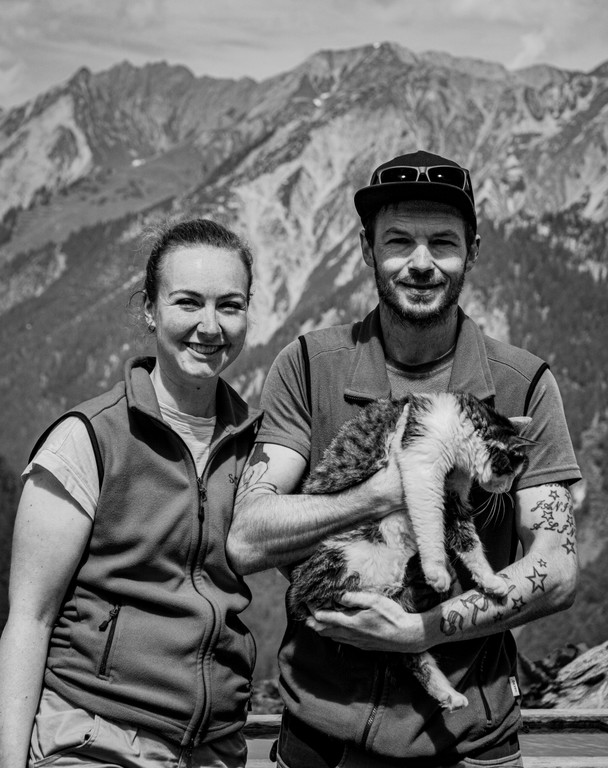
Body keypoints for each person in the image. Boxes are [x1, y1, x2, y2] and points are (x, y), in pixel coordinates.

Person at [227, 150, 581, 768]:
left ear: (472, 252)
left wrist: (420, 631)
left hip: (468, 744)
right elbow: (248, 538)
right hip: (321, 737)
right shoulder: (309, 366)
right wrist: (382, 494)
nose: (421, 262)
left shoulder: (522, 384)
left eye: (443, 242)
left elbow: (557, 568)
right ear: (367, 249)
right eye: (398, 241)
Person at [0, 218, 262, 768]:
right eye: (188, 302)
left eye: (230, 306)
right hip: (97, 737)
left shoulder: (259, 447)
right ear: (149, 309)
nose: (210, 326)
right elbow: (29, 619)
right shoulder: (89, 439)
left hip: (216, 748)